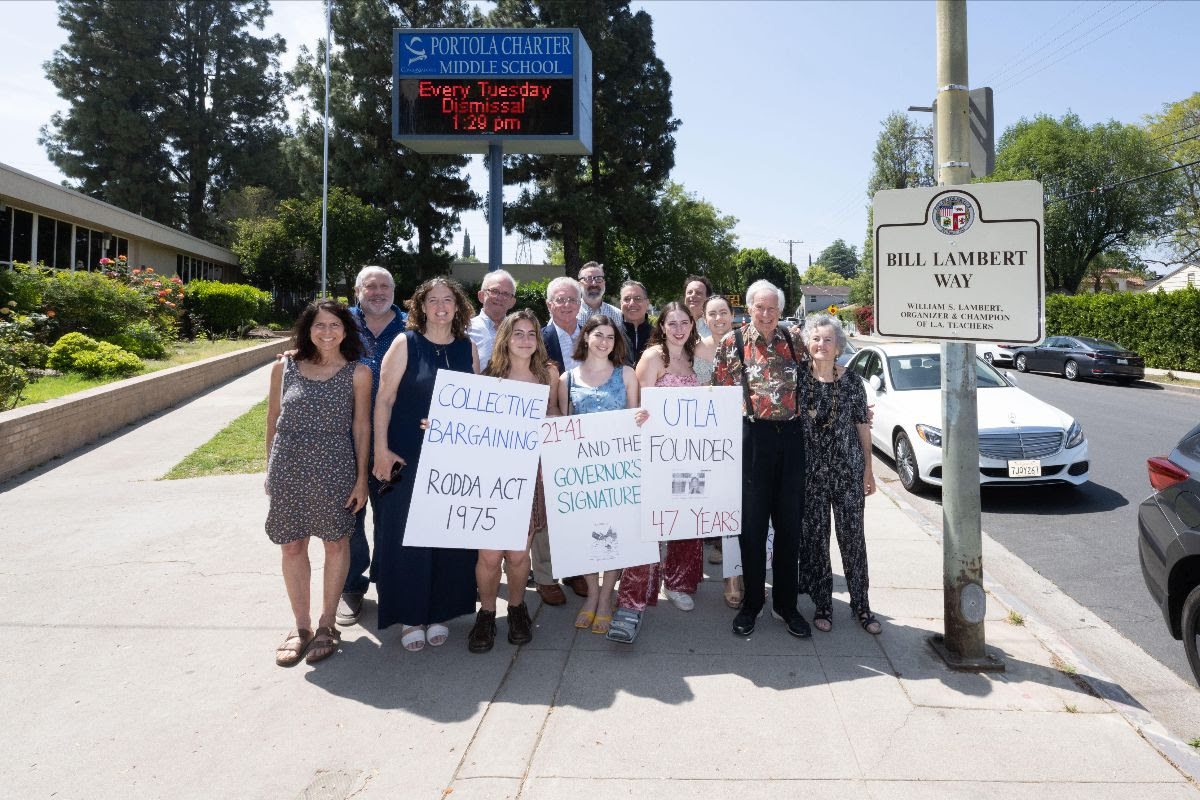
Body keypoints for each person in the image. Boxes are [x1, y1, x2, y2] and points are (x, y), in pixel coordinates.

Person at [371, 277, 481, 652]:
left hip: (453, 459)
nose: (440, 306)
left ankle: (440, 610)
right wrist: (381, 451)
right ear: (420, 306)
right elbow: (383, 400)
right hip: (409, 454)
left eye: (447, 299)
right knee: (407, 535)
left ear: (458, 306)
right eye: (432, 300)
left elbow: (476, 406)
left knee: (446, 533)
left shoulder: (469, 349)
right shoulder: (405, 343)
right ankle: (410, 615)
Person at [265, 299, 372, 666]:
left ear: (346, 330)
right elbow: (272, 419)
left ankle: (328, 624)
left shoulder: (358, 372)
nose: (327, 332)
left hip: (335, 468)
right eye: (319, 326)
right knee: (292, 546)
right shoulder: (285, 366)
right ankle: (301, 626)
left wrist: (361, 479)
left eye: (335, 325)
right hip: (288, 468)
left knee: (335, 544)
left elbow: (361, 426)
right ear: (307, 330)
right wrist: (269, 469)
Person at [712, 279, 811, 639]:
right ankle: (752, 602)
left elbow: (818, 379)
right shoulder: (731, 343)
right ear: (749, 308)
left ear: (780, 311)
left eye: (772, 308)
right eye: (760, 307)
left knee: (788, 527)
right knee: (751, 528)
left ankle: (786, 605)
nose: (766, 314)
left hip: (792, 438)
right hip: (753, 439)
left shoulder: (796, 341)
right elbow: (718, 397)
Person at [607, 302, 705, 644]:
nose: (678, 328)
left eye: (684, 322)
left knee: (684, 521)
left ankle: (678, 582)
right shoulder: (652, 358)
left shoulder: (693, 359)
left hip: (689, 456)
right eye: (672, 323)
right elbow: (636, 406)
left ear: (692, 326)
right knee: (649, 525)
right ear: (661, 326)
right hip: (655, 455)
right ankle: (633, 598)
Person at [468, 309, 563, 651]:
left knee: (520, 555)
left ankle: (517, 606)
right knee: (490, 556)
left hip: (530, 472)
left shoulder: (549, 374)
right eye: (517, 333)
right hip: (493, 475)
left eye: (530, 333)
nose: (525, 340)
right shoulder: (488, 376)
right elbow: (470, 423)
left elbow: (555, 413)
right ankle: (487, 613)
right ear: (505, 339)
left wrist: (551, 421)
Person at [555, 315, 640, 634]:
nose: (604, 341)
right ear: (586, 337)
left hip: (618, 472)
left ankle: (607, 598)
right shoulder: (567, 379)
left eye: (610, 336)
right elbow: (564, 425)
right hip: (582, 474)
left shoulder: (627, 374)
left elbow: (634, 419)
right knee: (587, 537)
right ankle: (591, 595)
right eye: (598, 335)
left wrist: (641, 419)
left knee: (614, 537)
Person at [798, 313, 880, 634]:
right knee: (816, 542)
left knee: (853, 539)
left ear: (838, 345)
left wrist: (868, 470)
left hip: (848, 473)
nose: (821, 344)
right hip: (811, 476)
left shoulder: (852, 382)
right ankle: (823, 604)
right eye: (816, 338)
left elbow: (862, 426)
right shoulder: (799, 380)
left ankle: (861, 605)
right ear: (808, 343)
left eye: (828, 339)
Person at [338, 266, 408, 628]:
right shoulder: (339, 323)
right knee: (350, 514)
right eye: (371, 286)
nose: (378, 292)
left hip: (397, 439)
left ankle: (388, 579)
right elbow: (312, 349)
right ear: (357, 290)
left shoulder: (412, 327)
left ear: (395, 290)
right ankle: (351, 585)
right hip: (345, 436)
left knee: (392, 515)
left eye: (385, 285)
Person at [539, 276, 590, 600]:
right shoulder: (537, 338)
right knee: (545, 505)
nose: (568, 305)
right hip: (548, 427)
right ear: (549, 304)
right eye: (561, 299)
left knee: (578, 503)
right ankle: (545, 574)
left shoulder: (593, 335)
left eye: (573, 299)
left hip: (586, 432)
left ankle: (575, 568)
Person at [694, 294, 744, 608]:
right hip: (703, 438)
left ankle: (734, 576)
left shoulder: (746, 343)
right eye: (712, 314)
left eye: (723, 312)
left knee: (737, 505)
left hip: (740, 435)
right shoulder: (694, 347)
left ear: (732, 314)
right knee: (713, 505)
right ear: (705, 317)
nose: (718, 318)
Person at [467, 269, 517, 371]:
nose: (499, 298)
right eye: (494, 291)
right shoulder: (465, 329)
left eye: (506, 294)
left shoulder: (520, 332)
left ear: (512, 302)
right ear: (481, 296)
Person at [576, 261, 625, 328]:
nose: (594, 283)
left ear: (604, 283)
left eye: (599, 279)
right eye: (588, 279)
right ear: (579, 284)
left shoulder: (617, 315)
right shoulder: (571, 313)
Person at [619, 279, 653, 365]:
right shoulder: (612, 335)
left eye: (638, 298)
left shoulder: (659, 335)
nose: (632, 303)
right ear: (621, 304)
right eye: (627, 299)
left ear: (647, 303)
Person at [683, 275, 714, 339]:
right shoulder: (673, 325)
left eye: (698, 293)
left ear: (707, 299)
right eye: (689, 292)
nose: (693, 295)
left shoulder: (716, 328)